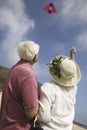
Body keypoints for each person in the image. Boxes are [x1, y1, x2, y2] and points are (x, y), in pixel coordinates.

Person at [37, 48, 81, 130]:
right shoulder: (73, 88)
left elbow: (44, 118)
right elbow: (70, 71)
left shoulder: (48, 88)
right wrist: (72, 56)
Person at [0, 41, 40, 130]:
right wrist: (40, 104)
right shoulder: (29, 74)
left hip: (4, 124)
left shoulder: (14, 68)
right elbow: (31, 113)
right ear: (35, 56)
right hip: (18, 127)